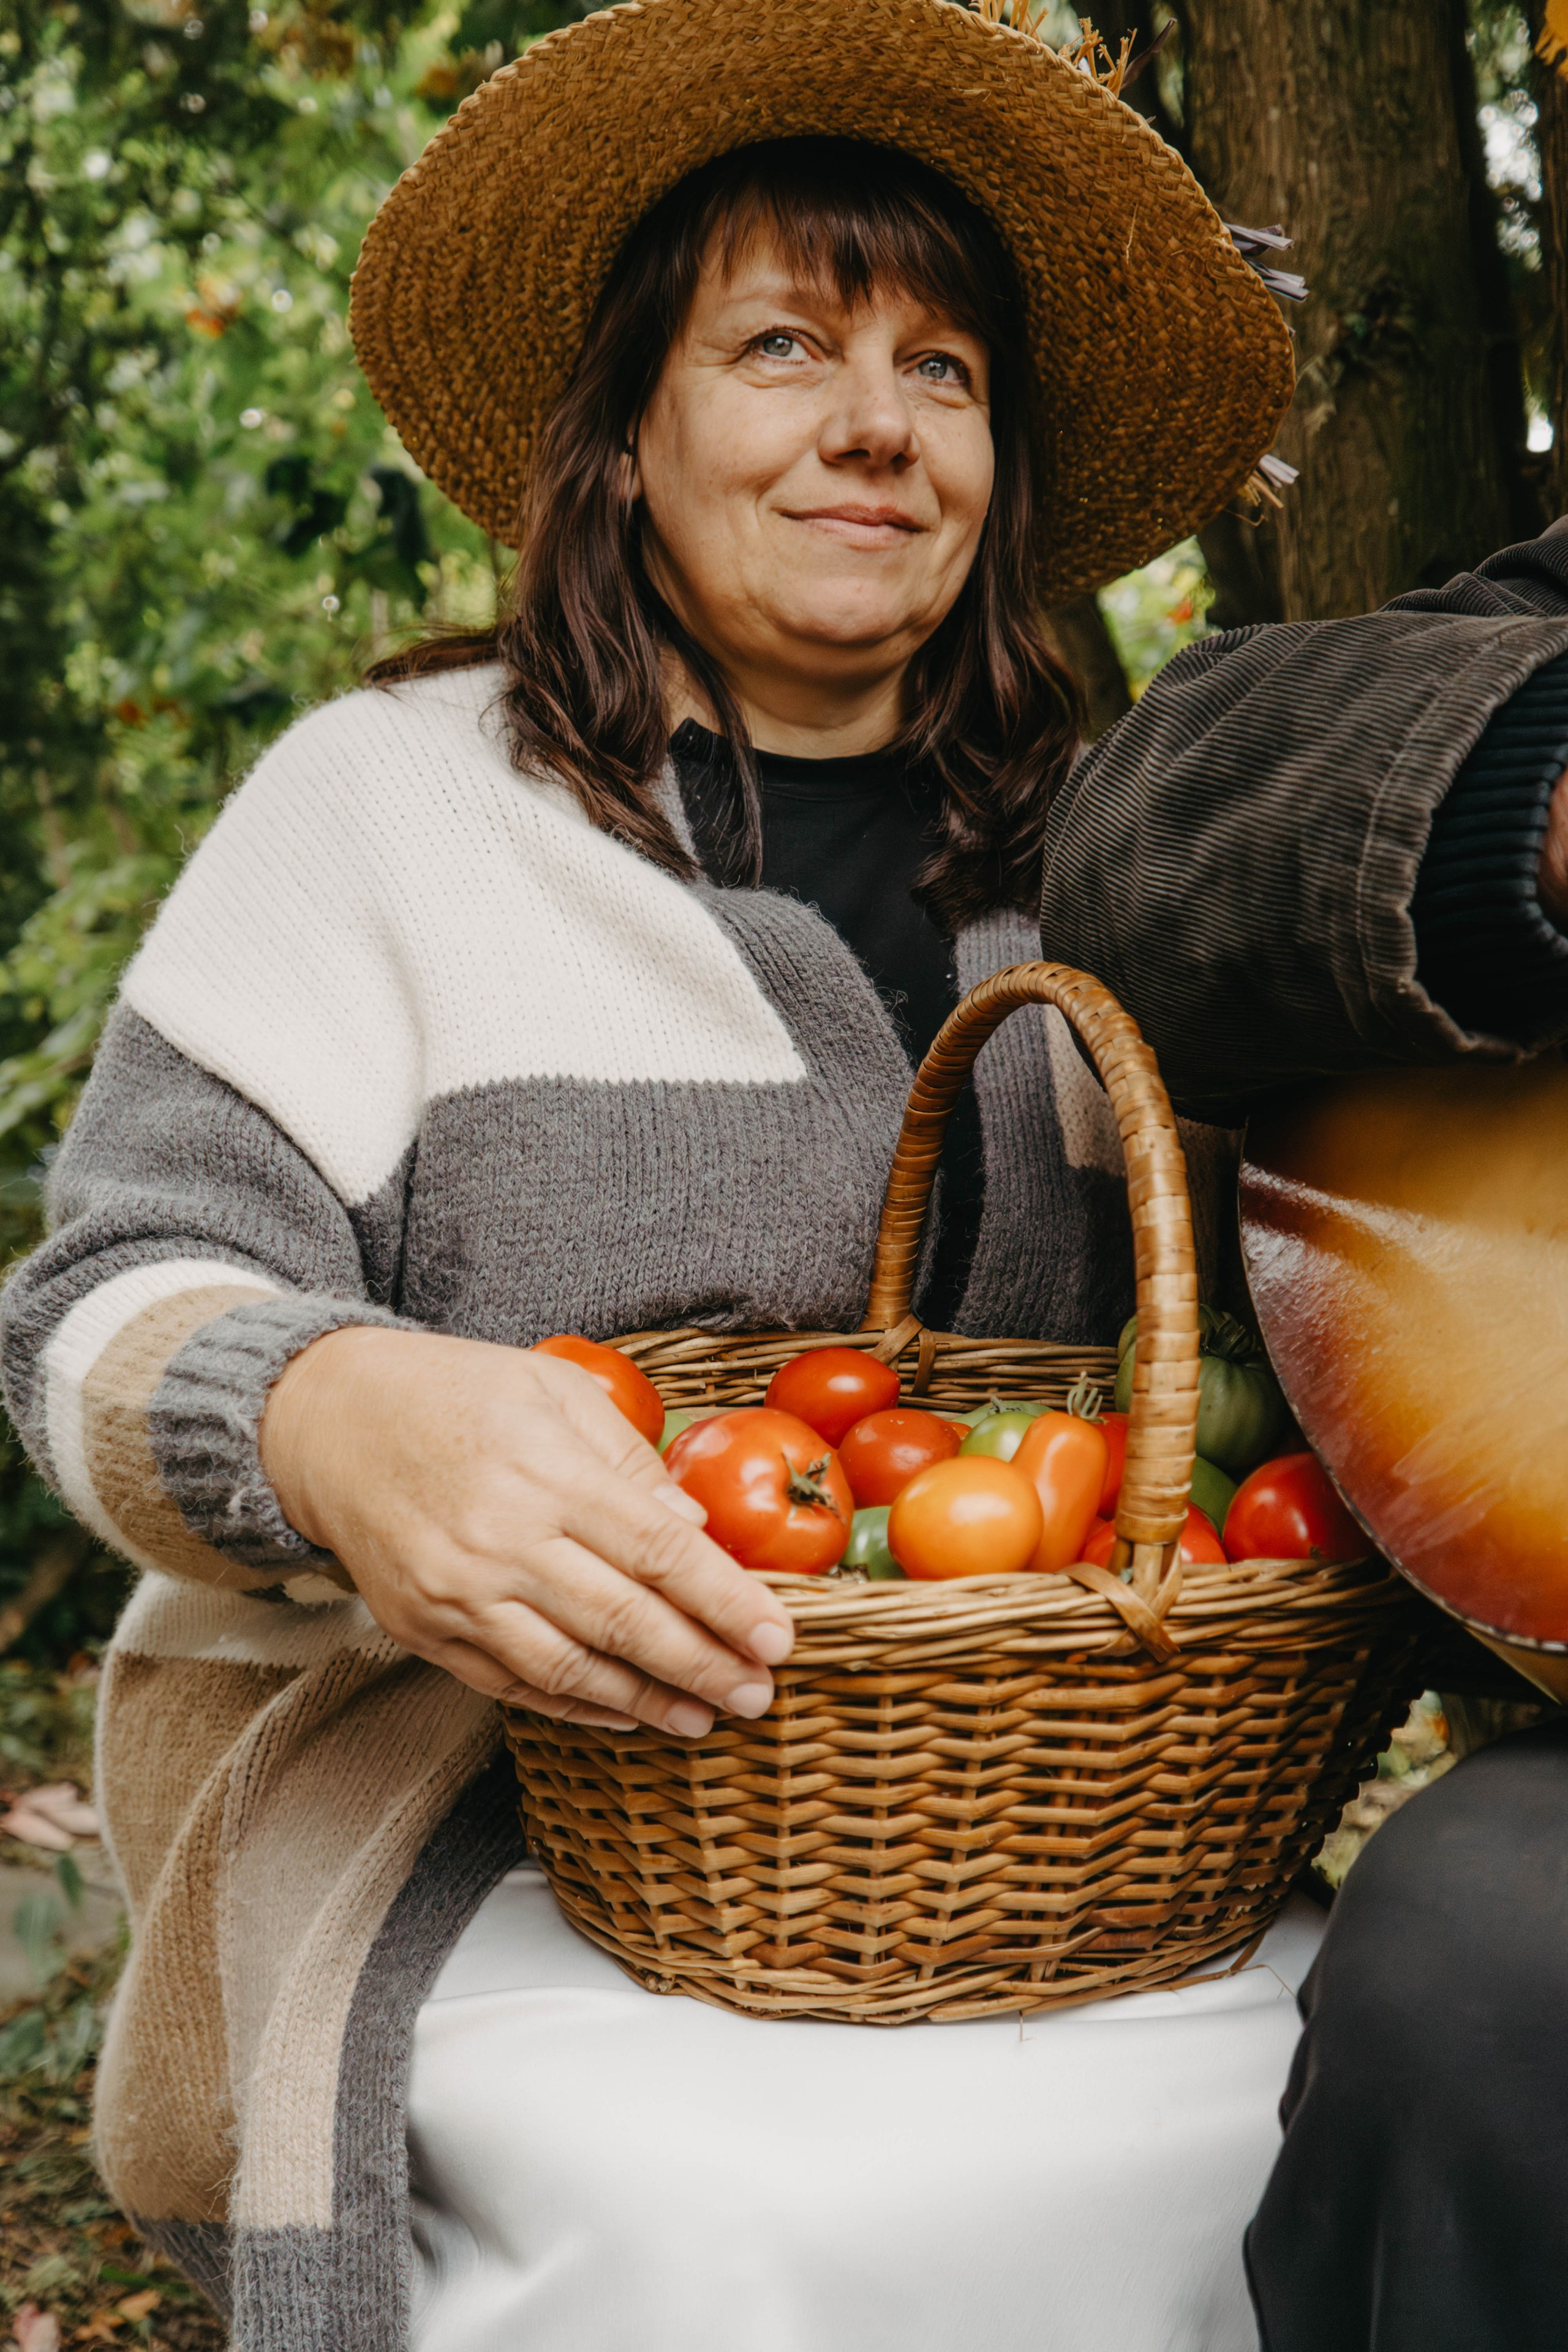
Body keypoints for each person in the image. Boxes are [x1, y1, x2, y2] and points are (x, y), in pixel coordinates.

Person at [2, 0, 1566, 2346]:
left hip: (1052, 1858)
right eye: (780, 346)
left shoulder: (1128, 879)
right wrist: (325, 1417)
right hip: (480, 1809)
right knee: (754, 2225)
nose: (875, 425)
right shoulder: (391, 809)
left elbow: (1333, 1356)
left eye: (944, 375)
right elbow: (109, 1292)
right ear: (623, 435)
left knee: (1338, 2105)